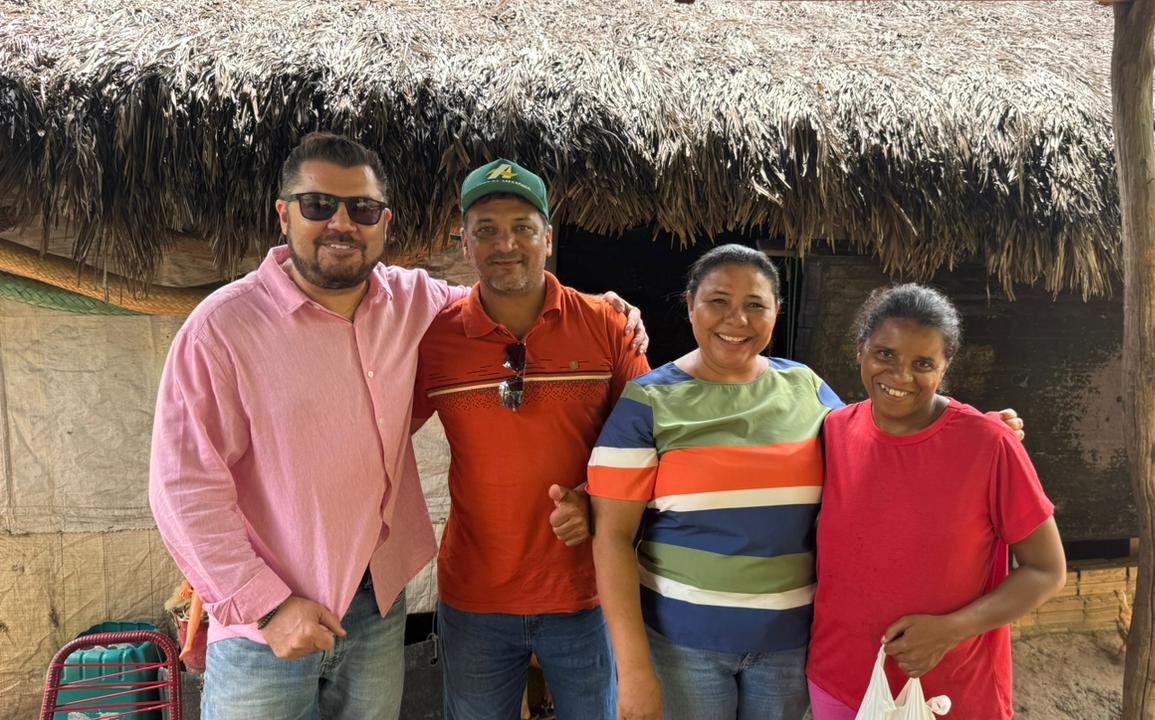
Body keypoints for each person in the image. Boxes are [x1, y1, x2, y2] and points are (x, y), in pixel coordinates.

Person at [149, 135, 642, 719]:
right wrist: (265, 606)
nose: (341, 223)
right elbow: (182, 488)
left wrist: (605, 310)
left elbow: (507, 297)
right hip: (272, 620)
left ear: (384, 222)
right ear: (283, 214)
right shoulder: (222, 329)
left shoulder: (415, 303)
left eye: (361, 209)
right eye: (318, 205)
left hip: (378, 603)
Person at [411, 158, 651, 720]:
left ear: (548, 237)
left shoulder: (607, 326)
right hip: (475, 596)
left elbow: (649, 444)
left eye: (522, 227)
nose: (506, 244)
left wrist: (596, 502)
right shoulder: (435, 339)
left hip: (586, 593)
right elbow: (376, 433)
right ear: (464, 242)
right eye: (487, 230)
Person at [589, 244, 842, 720]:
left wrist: (962, 436)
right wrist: (635, 670)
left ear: (777, 312)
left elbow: (874, 461)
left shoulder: (807, 388)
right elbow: (612, 538)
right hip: (682, 649)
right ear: (690, 305)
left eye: (755, 305)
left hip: (791, 646)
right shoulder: (648, 402)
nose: (736, 319)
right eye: (718, 301)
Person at [806, 284, 1066, 720]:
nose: (900, 376)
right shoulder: (833, 431)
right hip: (839, 680)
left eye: (923, 364)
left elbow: (1047, 570)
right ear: (860, 350)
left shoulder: (988, 445)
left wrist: (951, 630)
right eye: (884, 354)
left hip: (950, 691)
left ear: (945, 367)